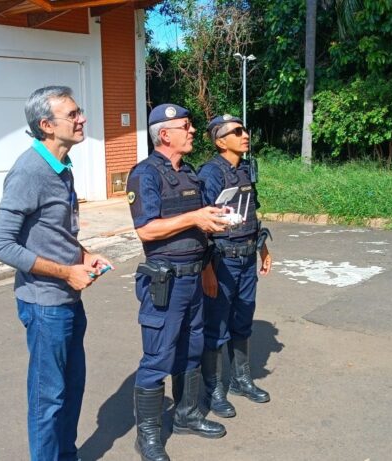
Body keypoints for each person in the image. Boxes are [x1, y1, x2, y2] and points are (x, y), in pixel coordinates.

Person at [0, 86, 112, 461]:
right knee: (49, 399)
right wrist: (65, 272)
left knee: (71, 390)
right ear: (46, 125)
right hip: (45, 306)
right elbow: (0, 244)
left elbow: (54, 232)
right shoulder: (30, 171)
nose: (82, 119)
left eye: (80, 111)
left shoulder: (62, 167)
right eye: (72, 114)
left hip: (67, 300)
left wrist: (84, 254)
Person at [126, 103, 231, 461]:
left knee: (191, 349)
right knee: (158, 357)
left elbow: (200, 227)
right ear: (164, 134)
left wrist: (207, 266)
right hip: (165, 283)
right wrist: (194, 217)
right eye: (185, 126)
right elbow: (146, 228)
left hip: (194, 279)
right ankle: (149, 438)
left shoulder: (189, 174)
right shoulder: (144, 175)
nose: (191, 132)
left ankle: (186, 416)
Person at [198, 114, 273, 419]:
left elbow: (252, 213)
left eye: (245, 129)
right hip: (222, 259)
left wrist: (263, 248)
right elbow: (201, 225)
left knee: (243, 319)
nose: (245, 135)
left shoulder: (245, 168)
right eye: (237, 131)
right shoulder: (210, 173)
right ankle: (214, 389)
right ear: (220, 141)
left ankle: (240, 380)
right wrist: (207, 269)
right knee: (216, 325)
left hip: (246, 258)